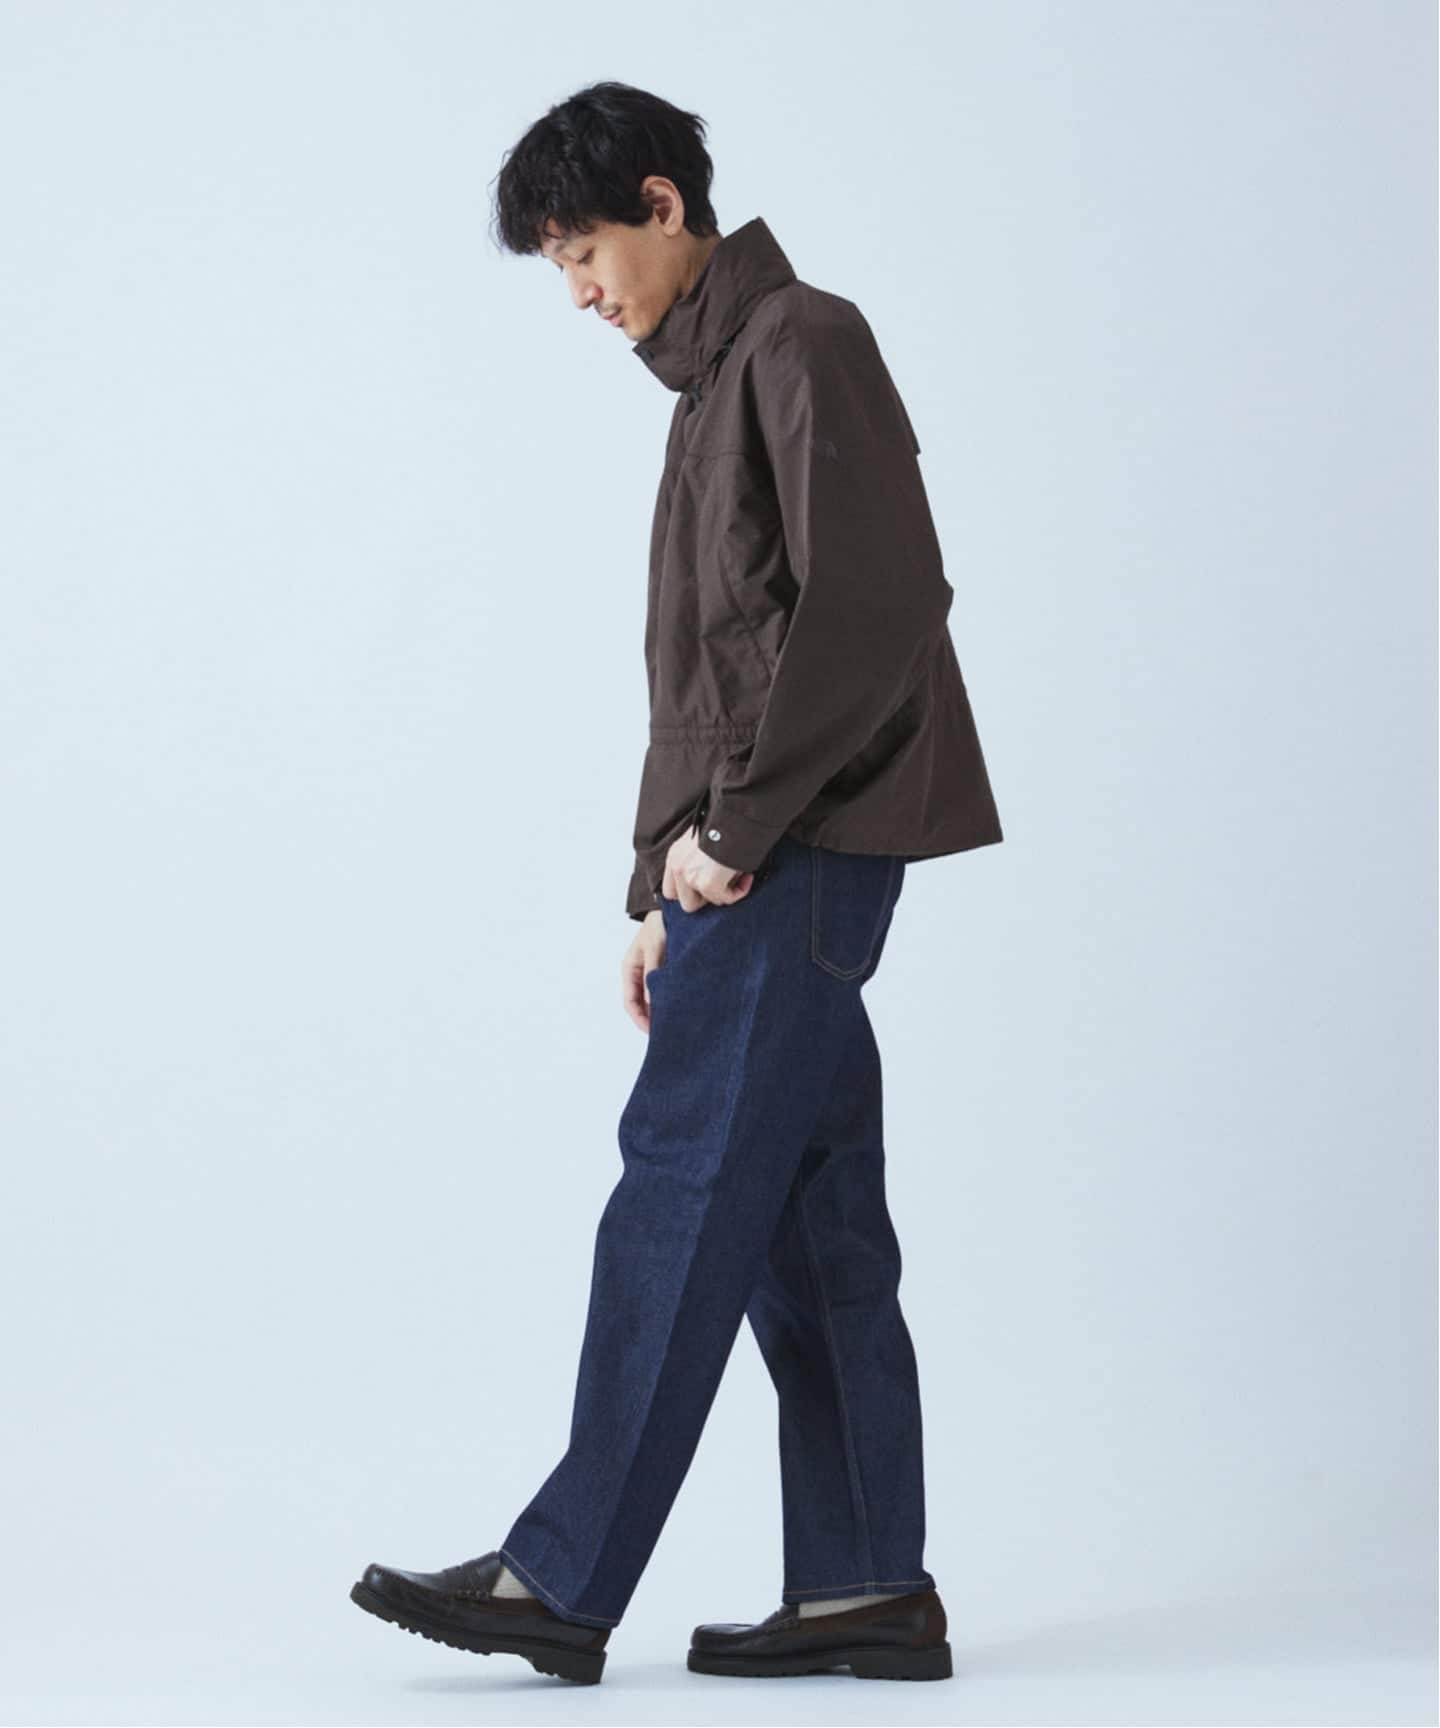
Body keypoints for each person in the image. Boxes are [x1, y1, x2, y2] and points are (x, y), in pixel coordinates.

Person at [350, 79, 1003, 1687]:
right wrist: (656, 883)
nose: (578, 292)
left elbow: (879, 605)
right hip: (755, 859)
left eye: (584, 252)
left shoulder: (800, 342)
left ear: (664, 205)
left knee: (683, 1182)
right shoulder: (712, 382)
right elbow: (710, 673)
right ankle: (865, 1587)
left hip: (793, 851)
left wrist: (734, 837)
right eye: (558, 267)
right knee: (811, 1223)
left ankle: (560, 1578)